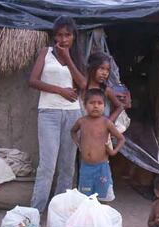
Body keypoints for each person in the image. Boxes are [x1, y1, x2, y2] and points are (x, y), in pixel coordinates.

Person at [29, 16, 87, 213]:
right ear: (54, 36)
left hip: (73, 114)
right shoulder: (46, 52)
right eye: (60, 35)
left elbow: (83, 84)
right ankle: (35, 213)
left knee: (67, 167)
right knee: (47, 166)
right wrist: (60, 90)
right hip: (48, 113)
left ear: (73, 37)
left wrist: (69, 58)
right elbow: (33, 81)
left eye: (67, 35)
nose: (63, 39)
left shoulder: (77, 56)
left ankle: (58, 212)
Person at [71, 89, 125, 201]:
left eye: (99, 103)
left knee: (104, 197)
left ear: (104, 106)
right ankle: (89, 217)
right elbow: (73, 131)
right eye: (92, 103)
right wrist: (78, 143)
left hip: (102, 167)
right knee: (85, 198)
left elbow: (121, 139)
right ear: (85, 105)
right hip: (85, 167)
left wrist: (114, 152)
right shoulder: (82, 121)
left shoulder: (106, 123)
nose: (95, 106)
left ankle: (103, 217)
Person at [86, 52, 131, 122]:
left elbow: (120, 106)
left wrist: (107, 123)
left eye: (107, 70)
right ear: (91, 67)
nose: (104, 73)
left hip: (102, 131)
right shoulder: (83, 87)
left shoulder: (106, 90)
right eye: (101, 68)